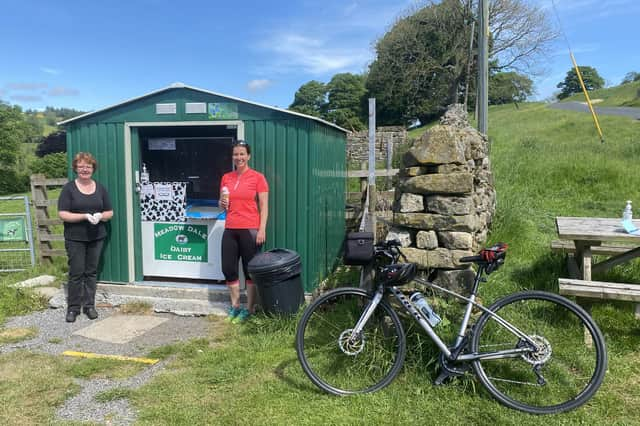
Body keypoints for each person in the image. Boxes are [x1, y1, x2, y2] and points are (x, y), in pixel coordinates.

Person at [58, 152, 113, 322]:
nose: (84, 169)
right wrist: (83, 216)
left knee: (91, 272)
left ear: (93, 169)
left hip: (96, 237)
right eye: (81, 166)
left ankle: (89, 306)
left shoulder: (100, 188)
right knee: (76, 272)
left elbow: (110, 212)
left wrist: (100, 216)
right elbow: (63, 214)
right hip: (75, 237)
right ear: (75, 168)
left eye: (88, 166)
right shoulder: (69, 189)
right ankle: (73, 308)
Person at [219, 140, 269, 323]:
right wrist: (221, 204)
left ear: (248, 156)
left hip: (250, 229)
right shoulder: (226, 178)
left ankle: (249, 308)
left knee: (250, 271)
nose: (238, 157)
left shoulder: (258, 177)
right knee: (228, 269)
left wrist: (262, 229)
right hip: (230, 227)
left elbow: (264, 206)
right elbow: (222, 204)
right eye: (235, 154)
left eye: (242, 154)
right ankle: (235, 306)